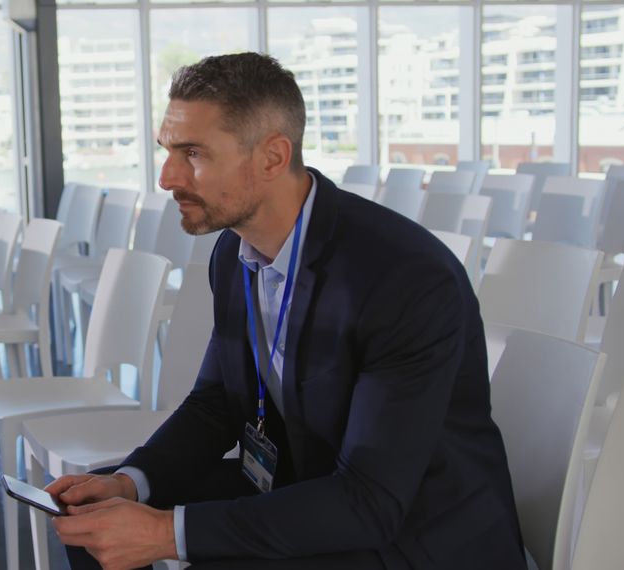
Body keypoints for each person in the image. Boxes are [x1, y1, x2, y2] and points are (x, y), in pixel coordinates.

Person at [46, 52, 526, 570]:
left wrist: (166, 533)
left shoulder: (404, 279)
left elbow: (372, 500)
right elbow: (217, 404)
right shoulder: (233, 253)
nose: (167, 177)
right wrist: (130, 482)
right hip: (307, 479)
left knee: (201, 552)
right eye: (167, 150)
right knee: (95, 522)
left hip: (415, 531)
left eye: (193, 153)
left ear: (273, 157)